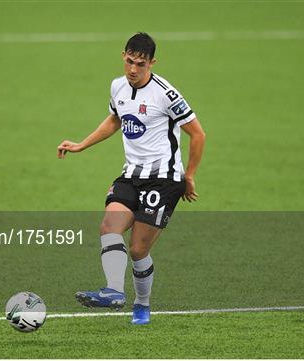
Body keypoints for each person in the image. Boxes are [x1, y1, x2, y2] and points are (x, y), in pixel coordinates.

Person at [57, 32, 206, 325]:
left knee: (138, 249)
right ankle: (113, 291)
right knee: (109, 226)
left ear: (152, 62)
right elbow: (115, 119)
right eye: (129, 61)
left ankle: (142, 303)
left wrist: (189, 175)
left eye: (140, 63)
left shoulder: (166, 94)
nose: (133, 70)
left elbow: (197, 133)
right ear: (123, 56)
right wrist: (81, 144)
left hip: (163, 180)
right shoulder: (117, 87)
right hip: (131, 175)